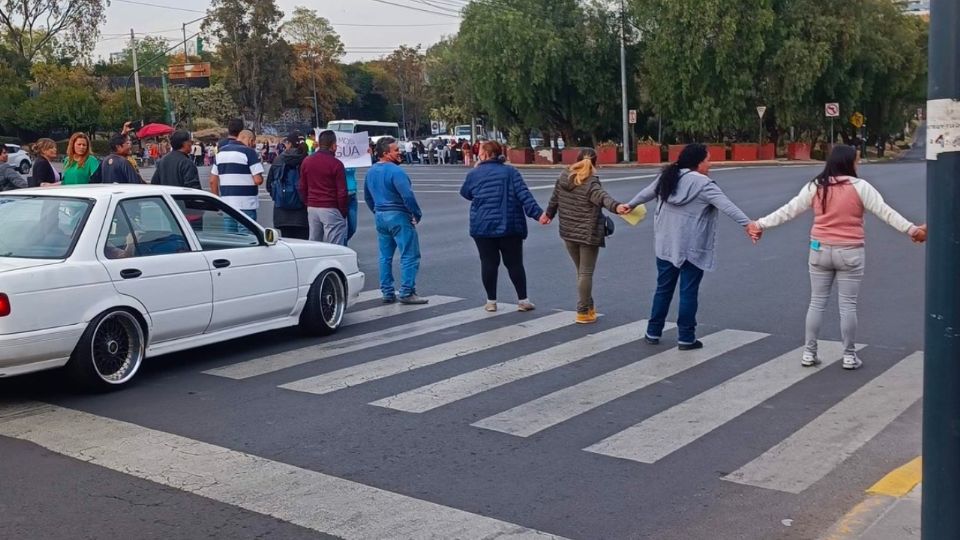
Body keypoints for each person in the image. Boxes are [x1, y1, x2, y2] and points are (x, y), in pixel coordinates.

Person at [748, 145, 927, 370]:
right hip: (850, 252)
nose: (858, 164)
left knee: (816, 303)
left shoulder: (816, 186)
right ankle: (849, 356)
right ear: (848, 162)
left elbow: (789, 210)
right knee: (848, 306)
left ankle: (808, 353)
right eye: (857, 161)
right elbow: (886, 213)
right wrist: (914, 231)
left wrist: (760, 224)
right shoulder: (861, 187)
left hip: (819, 250)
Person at [626, 143, 753, 350]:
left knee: (663, 289)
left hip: (666, 245)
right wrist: (748, 224)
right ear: (698, 162)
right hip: (692, 249)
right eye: (707, 160)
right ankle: (686, 337)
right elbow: (727, 206)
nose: (710, 164)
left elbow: (646, 193)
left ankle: (653, 331)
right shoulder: (704, 185)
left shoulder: (669, 176)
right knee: (688, 292)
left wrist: (629, 205)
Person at [542, 148, 631, 323]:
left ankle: (589, 306)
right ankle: (583, 311)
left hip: (568, 232)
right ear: (595, 163)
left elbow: (554, 200)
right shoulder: (591, 182)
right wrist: (618, 207)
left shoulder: (563, 177)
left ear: (576, 159)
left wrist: (548, 215)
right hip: (588, 233)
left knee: (581, 272)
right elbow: (604, 198)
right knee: (585, 272)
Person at [460, 141, 543, 312]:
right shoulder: (510, 172)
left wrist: (477, 170)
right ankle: (523, 300)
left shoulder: (474, 173)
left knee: (488, 263)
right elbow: (524, 195)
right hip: (509, 224)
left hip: (482, 225)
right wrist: (539, 214)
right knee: (514, 264)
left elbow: (466, 193)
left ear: (484, 154)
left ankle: (491, 301)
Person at [364, 136, 428, 305]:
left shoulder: (371, 171)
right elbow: (407, 195)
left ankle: (387, 291)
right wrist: (416, 214)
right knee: (409, 255)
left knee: (385, 256)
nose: (400, 153)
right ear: (386, 153)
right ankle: (407, 291)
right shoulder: (396, 171)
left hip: (380, 216)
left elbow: (368, 197)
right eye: (396, 150)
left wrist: (377, 211)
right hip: (398, 215)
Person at [299, 130, 348, 244]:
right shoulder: (336, 164)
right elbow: (342, 192)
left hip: (312, 207)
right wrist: (342, 212)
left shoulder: (307, 161)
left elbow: (302, 186)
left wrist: (308, 202)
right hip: (330, 206)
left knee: (314, 242)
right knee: (334, 245)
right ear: (334, 146)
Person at [210, 129, 264, 222]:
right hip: (246, 204)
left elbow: (212, 181)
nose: (253, 144)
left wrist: (218, 202)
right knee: (246, 235)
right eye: (253, 141)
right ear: (250, 140)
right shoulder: (249, 152)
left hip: (227, 204)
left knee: (232, 236)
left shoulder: (220, 152)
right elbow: (258, 180)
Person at [267, 131, 309, 240]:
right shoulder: (306, 159)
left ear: (289, 144)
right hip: (302, 213)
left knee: (289, 244)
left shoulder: (278, 159)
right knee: (303, 246)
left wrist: (279, 196)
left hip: (282, 212)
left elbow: (269, 184)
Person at [345, 167, 359, 245]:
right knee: (340, 227)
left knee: (352, 227)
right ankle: (342, 244)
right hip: (339, 194)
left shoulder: (352, 161)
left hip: (352, 194)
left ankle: (343, 242)